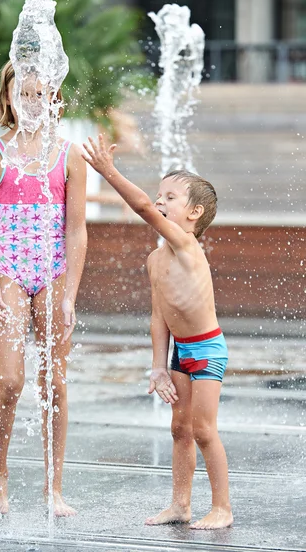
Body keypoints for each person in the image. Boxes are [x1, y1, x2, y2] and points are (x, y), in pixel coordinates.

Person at [82, 135, 233, 530]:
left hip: (208, 349)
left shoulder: (187, 246)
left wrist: (108, 171)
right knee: (179, 428)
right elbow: (158, 317)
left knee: (203, 430)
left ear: (194, 213)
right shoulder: (154, 259)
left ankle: (222, 508)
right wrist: (157, 368)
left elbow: (143, 208)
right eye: (160, 194)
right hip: (180, 351)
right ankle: (180, 505)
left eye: (170, 197)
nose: (160, 201)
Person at [0, 60, 87, 517]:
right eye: (23, 95)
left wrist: (71, 292)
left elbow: (76, 231)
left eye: (40, 95)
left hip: (54, 271)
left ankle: (53, 488)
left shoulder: (68, 154)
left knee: (54, 382)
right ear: (9, 99)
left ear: (54, 98)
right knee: (11, 379)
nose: (31, 103)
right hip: (10, 272)